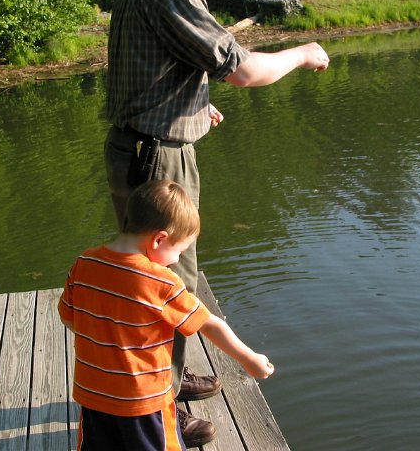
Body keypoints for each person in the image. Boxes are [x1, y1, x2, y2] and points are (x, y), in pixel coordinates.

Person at [103, 0, 328, 445]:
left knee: (173, 276)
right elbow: (245, 70)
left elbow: (154, 73)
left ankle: (171, 382)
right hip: (157, 160)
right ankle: (161, 410)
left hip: (145, 145)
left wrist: (195, 108)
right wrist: (301, 53)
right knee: (167, 284)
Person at [59, 180, 274, 450]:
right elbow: (209, 324)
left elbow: (69, 318)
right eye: (179, 251)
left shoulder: (84, 263)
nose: (175, 260)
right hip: (144, 402)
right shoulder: (161, 281)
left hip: (93, 395)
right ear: (159, 238)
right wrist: (249, 358)